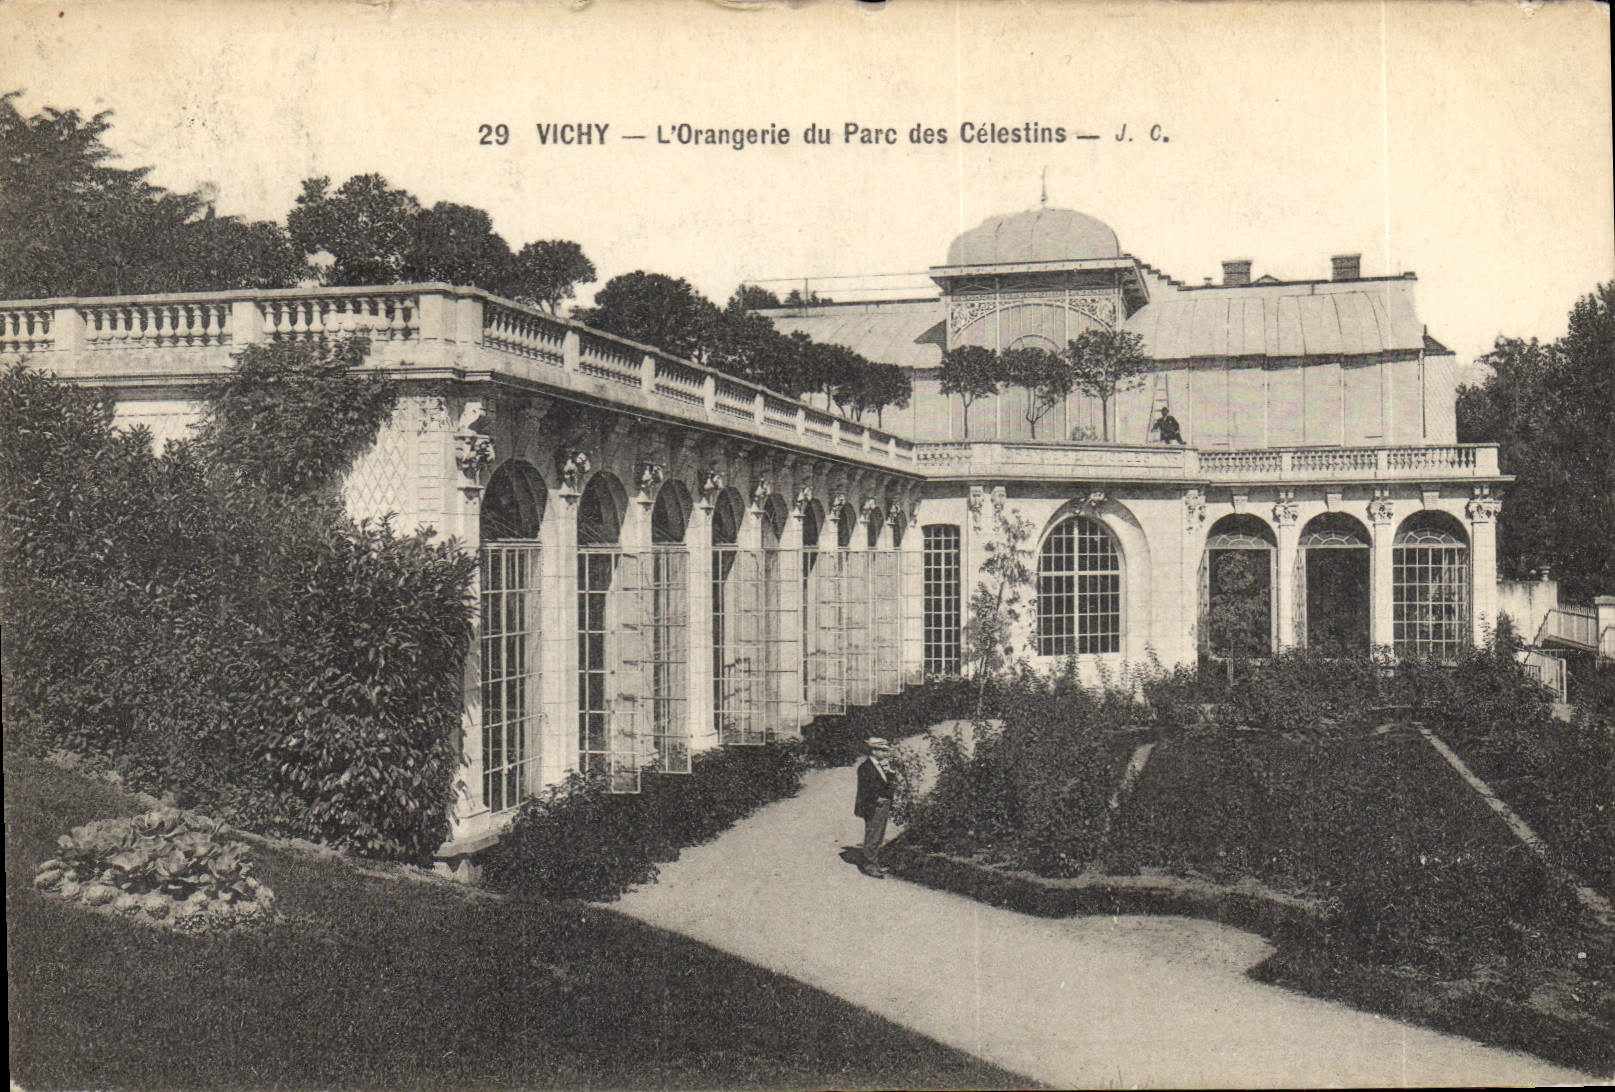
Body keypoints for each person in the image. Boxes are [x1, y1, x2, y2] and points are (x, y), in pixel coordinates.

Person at [853, 737, 895, 878]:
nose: (885, 753)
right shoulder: (866, 768)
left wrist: (889, 772)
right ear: (874, 751)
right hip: (874, 806)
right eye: (883, 750)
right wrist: (876, 800)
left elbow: (889, 784)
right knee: (873, 835)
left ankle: (874, 862)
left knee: (879, 835)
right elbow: (866, 789)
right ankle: (869, 865)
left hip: (883, 804)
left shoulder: (880, 766)